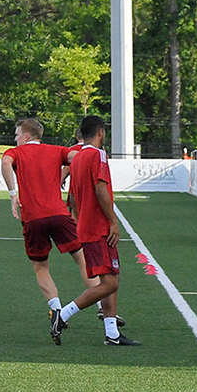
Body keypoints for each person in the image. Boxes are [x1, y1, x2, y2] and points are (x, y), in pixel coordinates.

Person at [54, 115, 141, 347]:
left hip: (86, 226)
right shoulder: (97, 154)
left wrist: (79, 220)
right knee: (111, 283)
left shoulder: (78, 157)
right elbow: (101, 190)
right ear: (101, 132)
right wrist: (113, 221)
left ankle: (111, 333)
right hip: (99, 227)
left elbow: (71, 196)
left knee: (110, 278)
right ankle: (62, 315)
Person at [1, 117, 86, 343]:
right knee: (82, 258)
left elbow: (5, 163)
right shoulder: (57, 150)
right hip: (59, 214)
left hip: (33, 218)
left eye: (17, 134)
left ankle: (57, 310)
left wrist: (12, 195)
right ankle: (101, 304)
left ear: (26, 136)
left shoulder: (16, 153)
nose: (15, 138)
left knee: (41, 267)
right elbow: (79, 158)